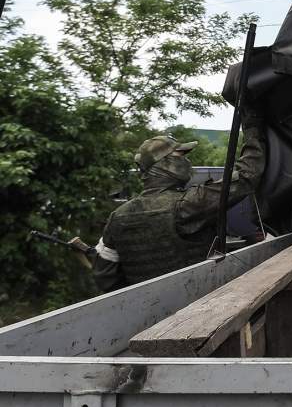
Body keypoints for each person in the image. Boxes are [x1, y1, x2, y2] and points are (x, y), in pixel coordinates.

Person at [92, 111, 265, 292]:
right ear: (164, 164)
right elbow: (247, 175)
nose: (187, 161)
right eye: (181, 155)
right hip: (199, 308)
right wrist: (253, 126)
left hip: (148, 313)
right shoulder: (188, 205)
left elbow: (105, 277)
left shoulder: (117, 217)